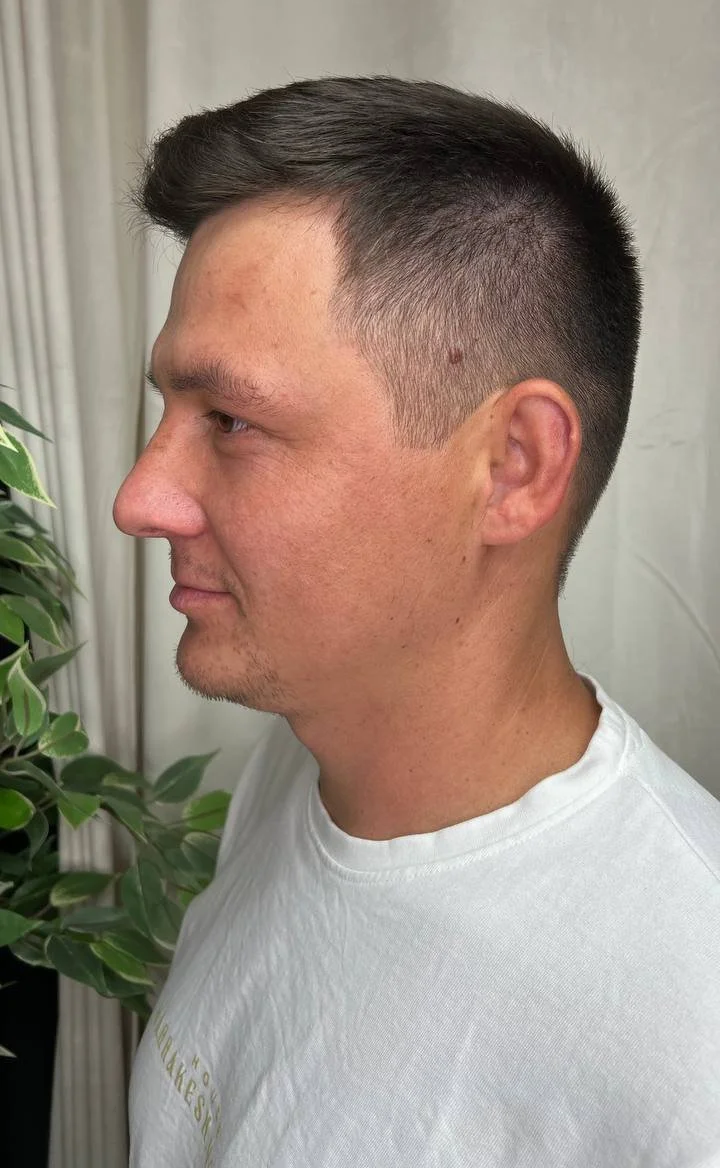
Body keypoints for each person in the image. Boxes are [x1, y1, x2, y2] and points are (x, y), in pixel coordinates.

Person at [113, 77, 720, 1167]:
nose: (141, 495)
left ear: (513, 467)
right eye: (169, 410)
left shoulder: (689, 1030)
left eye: (233, 420)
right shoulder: (300, 766)